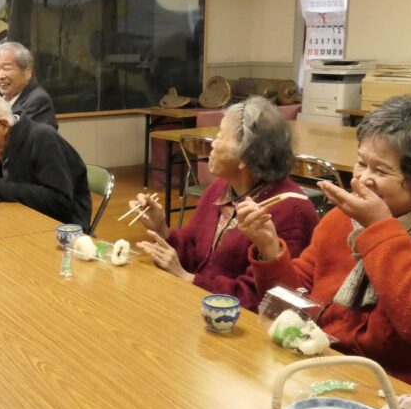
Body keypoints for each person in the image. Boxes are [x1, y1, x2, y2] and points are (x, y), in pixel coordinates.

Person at [236, 97, 411, 409]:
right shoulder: (342, 220)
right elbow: (295, 304)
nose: (362, 180)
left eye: (380, 170)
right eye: (361, 163)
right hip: (337, 380)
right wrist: (270, 249)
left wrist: (379, 229)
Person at [134, 97, 318, 309]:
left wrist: (190, 280)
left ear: (247, 156)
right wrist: (163, 229)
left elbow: (263, 299)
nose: (213, 143)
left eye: (221, 136)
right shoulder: (220, 189)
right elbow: (196, 251)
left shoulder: (290, 210)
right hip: (196, 306)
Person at [0, 93, 91, 229]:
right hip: (23, 220)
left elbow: (59, 202)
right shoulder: (4, 143)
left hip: (61, 230)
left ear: (3, 125)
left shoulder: (43, 138)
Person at [0, 42, 58, 129]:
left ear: (27, 71)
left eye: (7, 69)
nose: (1, 76)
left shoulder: (38, 100)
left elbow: (15, 136)